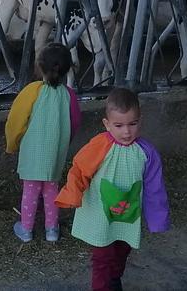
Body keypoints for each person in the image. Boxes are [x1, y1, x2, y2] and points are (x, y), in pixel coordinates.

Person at [56, 88, 169, 291]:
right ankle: (102, 287)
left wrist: (157, 217)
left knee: (122, 250)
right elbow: (79, 170)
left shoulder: (146, 153)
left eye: (132, 124)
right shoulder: (99, 146)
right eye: (119, 125)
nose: (126, 132)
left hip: (127, 214)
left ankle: (115, 278)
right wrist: (72, 194)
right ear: (107, 124)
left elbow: (154, 188)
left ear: (140, 121)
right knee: (102, 257)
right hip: (100, 214)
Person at [5, 43, 82, 243]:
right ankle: (52, 230)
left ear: (40, 65)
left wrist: (12, 143)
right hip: (55, 151)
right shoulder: (69, 95)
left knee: (30, 190)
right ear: (67, 69)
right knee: (51, 189)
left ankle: (26, 229)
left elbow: (16, 120)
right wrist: (65, 141)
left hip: (32, 151)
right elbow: (74, 123)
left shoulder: (32, 91)